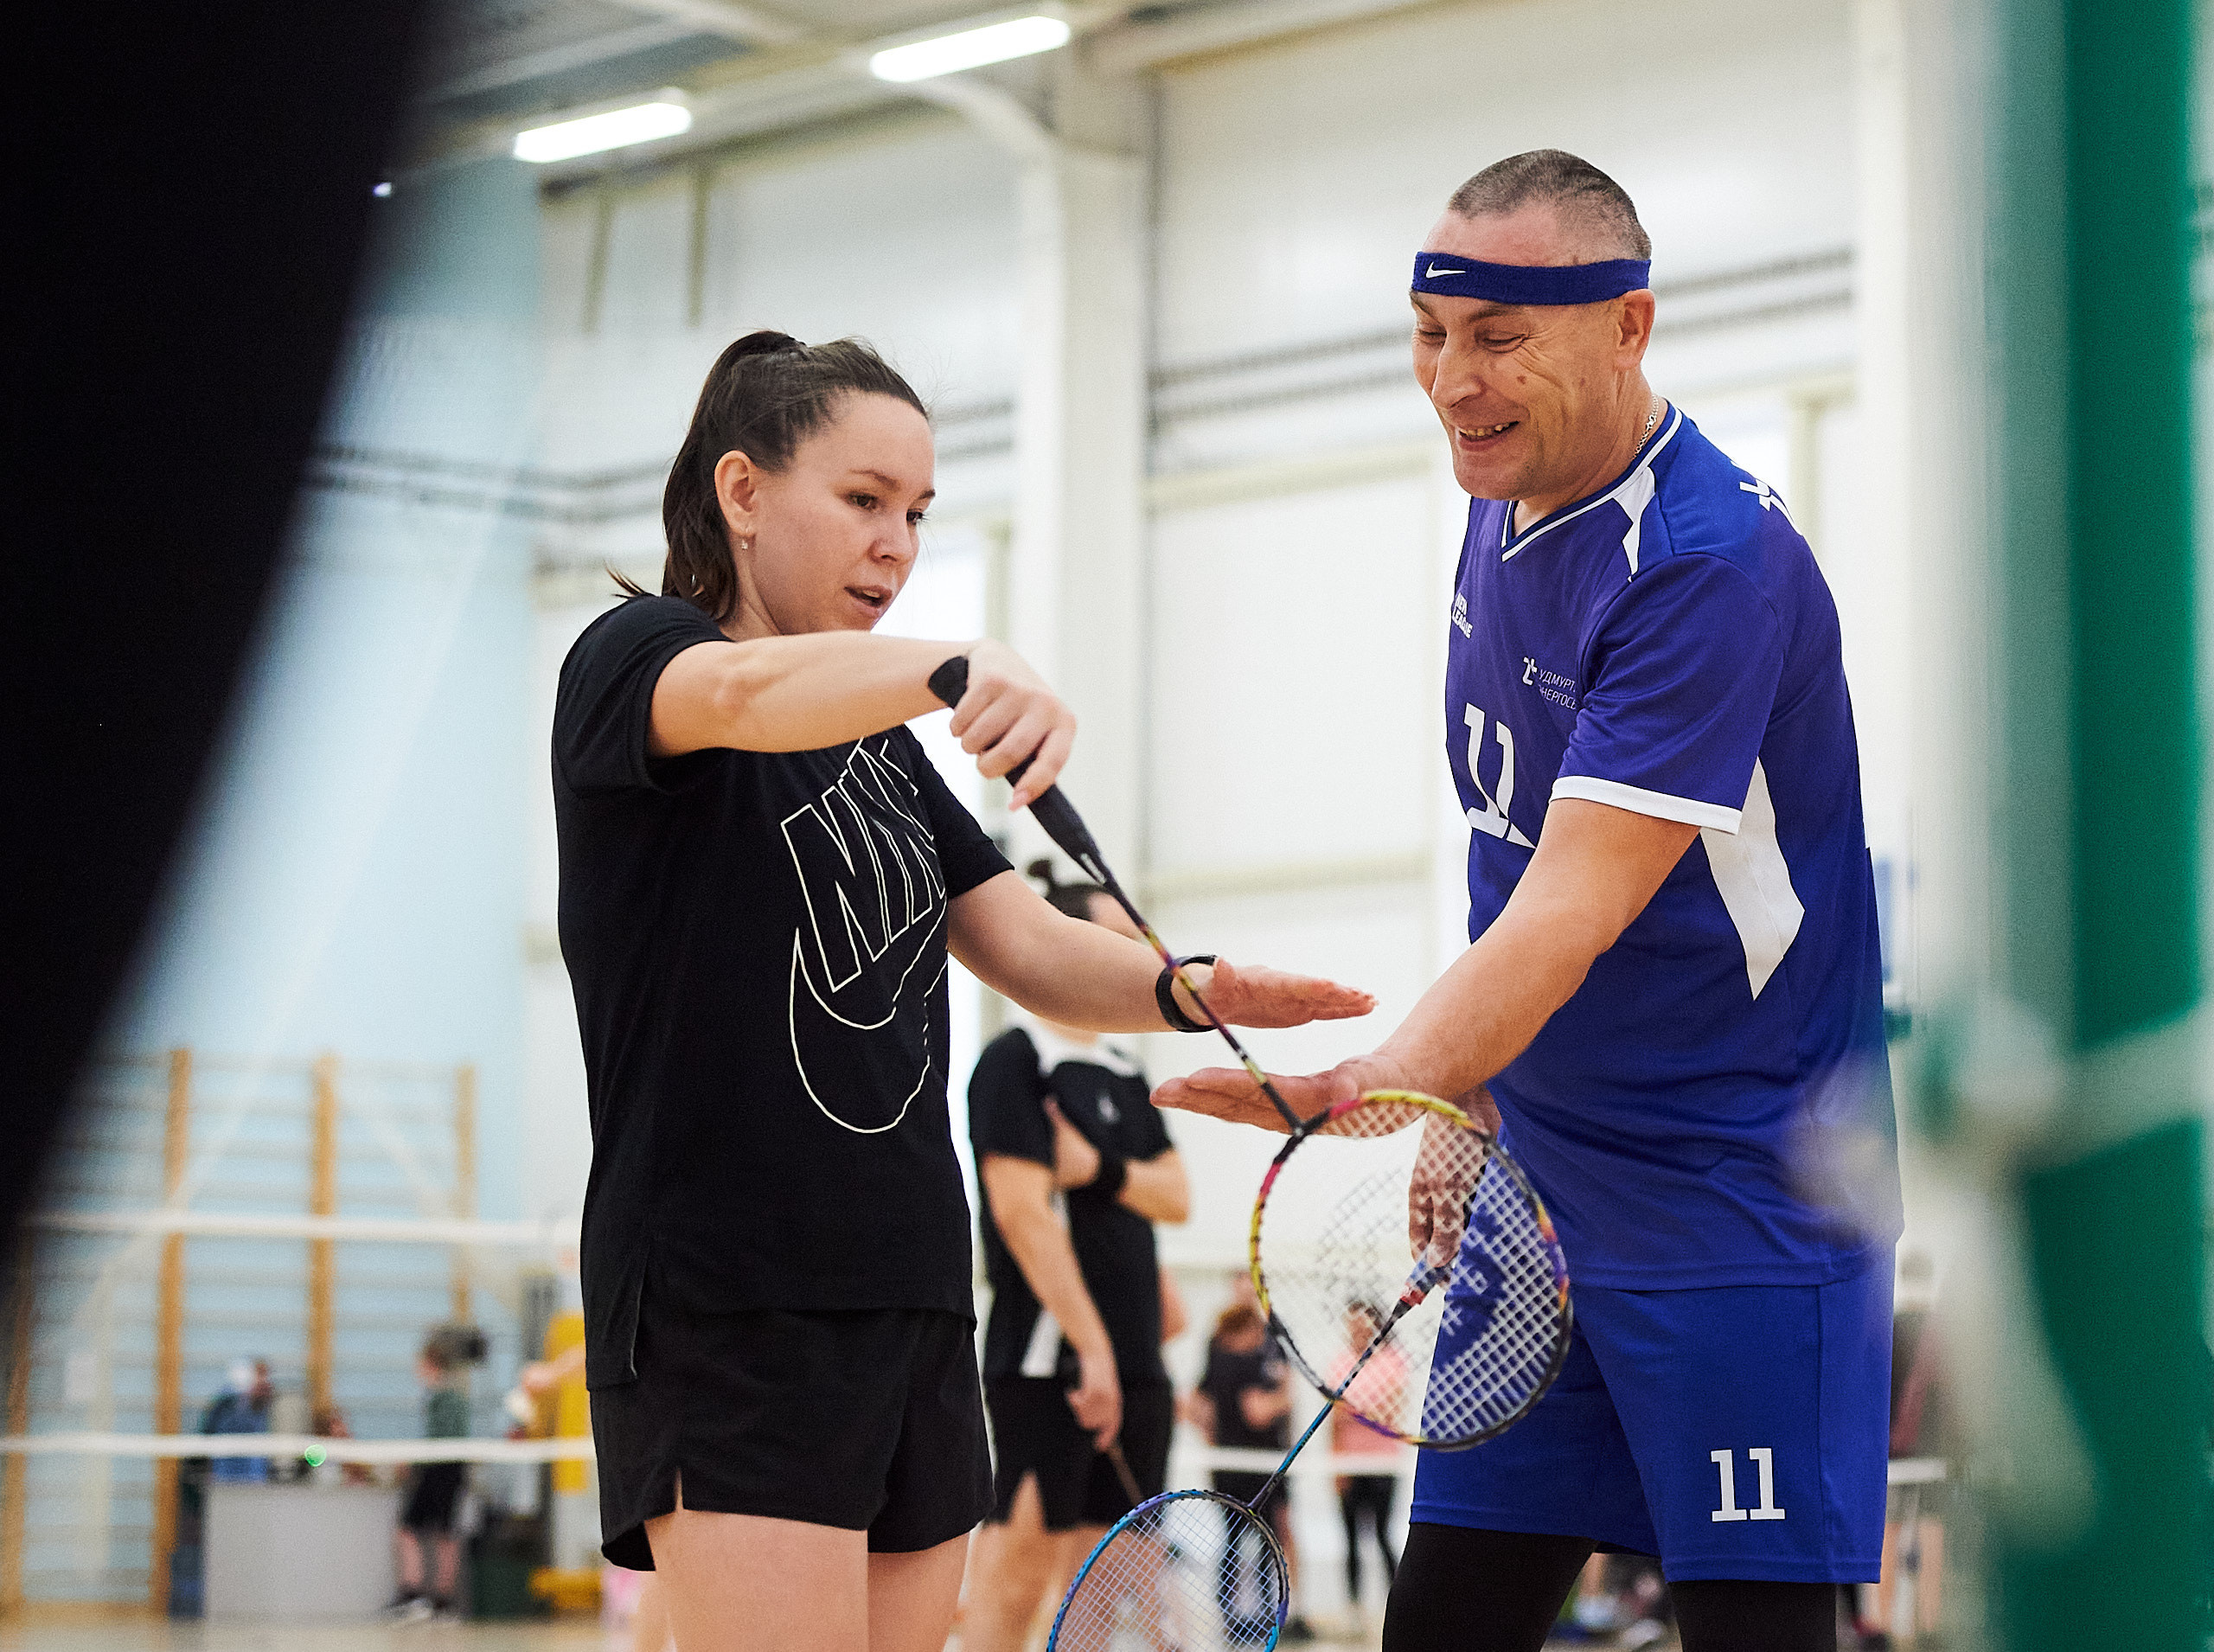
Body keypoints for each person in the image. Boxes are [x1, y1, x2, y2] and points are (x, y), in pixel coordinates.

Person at [1157, 150, 1900, 1652]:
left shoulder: (1706, 564)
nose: (1454, 380)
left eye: (1499, 337)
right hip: (1546, 1185)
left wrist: (1386, 1082)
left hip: (1738, 1191)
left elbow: (1574, 901)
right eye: (1432, 334)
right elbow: (1507, 850)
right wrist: (1472, 1093)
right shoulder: (1502, 500)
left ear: (1628, 326)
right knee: (1446, 1623)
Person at [553, 331, 1373, 1652]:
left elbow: (1029, 945)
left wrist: (1198, 987)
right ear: (742, 491)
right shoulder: (636, 658)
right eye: (864, 499)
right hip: (730, 1297)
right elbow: (745, 689)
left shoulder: (878, 745)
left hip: (917, 1292)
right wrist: (958, 664)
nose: (897, 545)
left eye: (920, 513)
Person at [963, 860, 1192, 1652]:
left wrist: (1097, 1169)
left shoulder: (1130, 1074)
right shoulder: (1015, 1061)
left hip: (1138, 1366)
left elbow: (1178, 1196)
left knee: (1101, 1592)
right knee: (1019, 1576)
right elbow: (1022, 1216)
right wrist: (1090, 1349)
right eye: (1117, 941)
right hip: (1050, 1363)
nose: (1138, 960)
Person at [1191, 1291, 1315, 1643]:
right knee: (1241, 1540)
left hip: (1263, 1464)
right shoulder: (1224, 1347)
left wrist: (1272, 1404)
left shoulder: (1270, 1341)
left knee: (1261, 1541)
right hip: (1239, 1466)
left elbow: (1201, 1405)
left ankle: (1261, 1616)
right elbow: (1225, 1405)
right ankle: (1240, 1619)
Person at [387, 1323, 486, 1623]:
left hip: (441, 1470)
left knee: (425, 1532)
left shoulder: (448, 1396)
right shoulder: (445, 1395)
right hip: (445, 1470)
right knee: (440, 1533)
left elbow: (442, 1439)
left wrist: (414, 1464)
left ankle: (422, 1598)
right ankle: (434, 1601)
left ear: (430, 1364)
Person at [1329, 1302, 1402, 1627]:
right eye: (1353, 1327)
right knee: (1351, 1540)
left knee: (1383, 1535)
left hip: (1382, 1463)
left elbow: (1387, 1410)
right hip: (1348, 1463)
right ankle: (1354, 1609)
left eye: (1363, 1326)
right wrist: (1336, 1466)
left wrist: (1354, 1409)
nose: (1357, 1332)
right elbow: (1335, 1419)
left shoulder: (1392, 1360)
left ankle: (1398, 1605)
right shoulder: (1340, 1362)